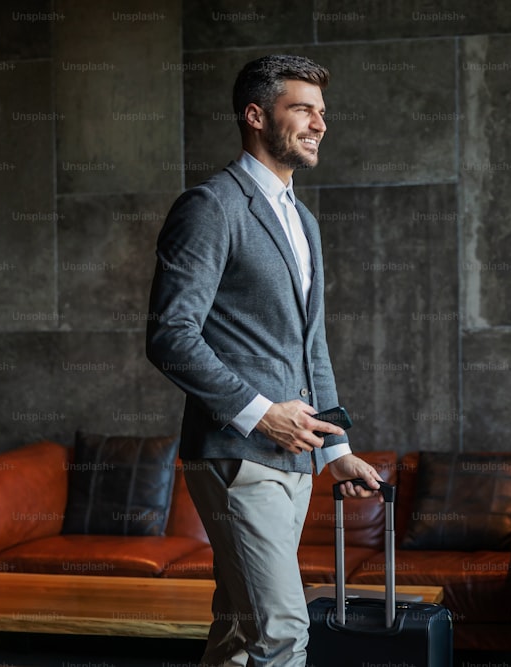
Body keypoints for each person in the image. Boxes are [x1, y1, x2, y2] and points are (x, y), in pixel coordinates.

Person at [146, 54, 383, 667]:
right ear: (256, 115)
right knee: (283, 634)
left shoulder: (301, 218)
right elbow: (171, 335)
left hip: (297, 460)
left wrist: (336, 449)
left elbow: (312, 347)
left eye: (322, 112)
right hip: (238, 455)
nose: (320, 123)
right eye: (302, 108)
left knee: (236, 634)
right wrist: (259, 415)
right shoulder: (210, 206)